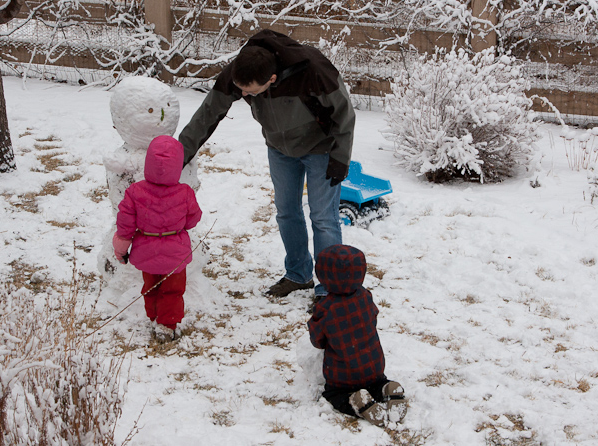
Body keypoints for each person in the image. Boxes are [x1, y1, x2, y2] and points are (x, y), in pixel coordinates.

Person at [178, 29, 355, 298]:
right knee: (286, 212)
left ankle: (329, 289)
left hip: (321, 148)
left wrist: (341, 158)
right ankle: (298, 274)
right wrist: (179, 154)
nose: (244, 95)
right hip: (279, 148)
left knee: (323, 218)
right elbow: (209, 112)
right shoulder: (243, 70)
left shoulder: (314, 70)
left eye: (250, 93)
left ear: (272, 79)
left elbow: (344, 114)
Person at [112, 135, 202, 342]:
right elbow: (193, 218)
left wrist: (121, 250)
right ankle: (166, 325)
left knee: (150, 287)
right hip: (175, 252)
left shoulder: (135, 192)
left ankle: (154, 317)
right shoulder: (185, 193)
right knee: (173, 290)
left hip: (146, 249)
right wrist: (178, 227)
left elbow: (125, 226)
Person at [308, 244, 407, 427]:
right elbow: (373, 319)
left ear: (323, 275)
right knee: (376, 384)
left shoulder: (325, 308)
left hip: (342, 375)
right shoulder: (365, 296)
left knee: (334, 395)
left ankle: (356, 401)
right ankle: (387, 388)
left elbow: (317, 340)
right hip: (373, 367)